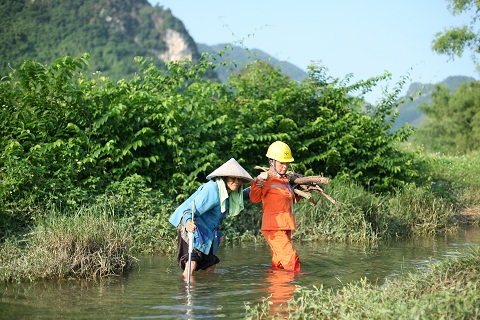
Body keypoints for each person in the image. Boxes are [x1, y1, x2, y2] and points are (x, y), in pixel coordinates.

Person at [169, 158, 253, 278]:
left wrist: (257, 186)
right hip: (192, 225)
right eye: (232, 178)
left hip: (208, 229)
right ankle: (186, 290)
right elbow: (189, 210)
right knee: (191, 264)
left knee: (210, 266)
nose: (236, 181)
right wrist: (188, 224)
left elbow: (242, 196)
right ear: (225, 178)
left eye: (239, 179)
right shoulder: (212, 190)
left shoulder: (231, 192)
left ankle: (205, 290)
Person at [249, 141, 302, 273]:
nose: (285, 166)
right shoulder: (266, 179)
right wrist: (258, 180)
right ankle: (297, 287)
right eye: (281, 163)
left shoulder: (286, 181)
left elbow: (289, 201)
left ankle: (278, 291)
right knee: (291, 259)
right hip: (274, 227)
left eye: (287, 163)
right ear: (271, 161)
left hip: (286, 225)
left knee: (278, 264)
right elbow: (254, 198)